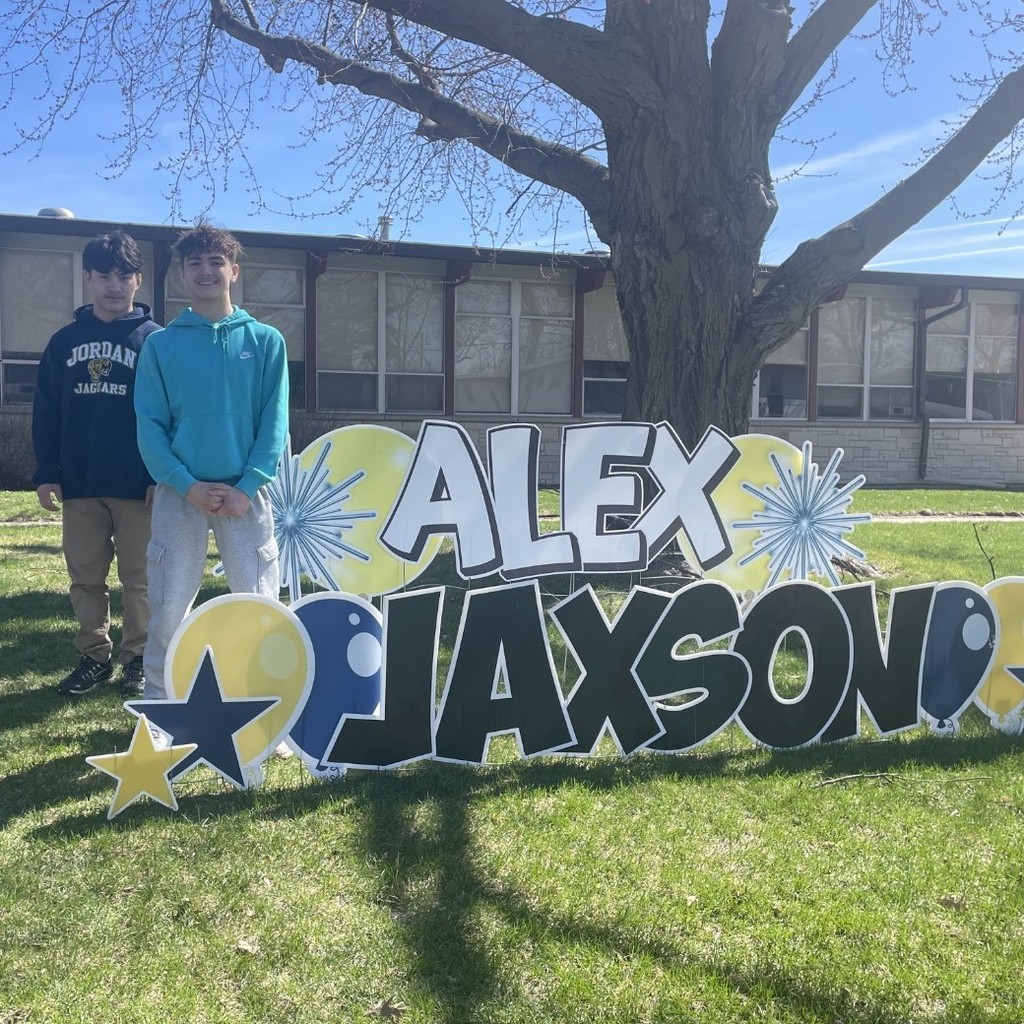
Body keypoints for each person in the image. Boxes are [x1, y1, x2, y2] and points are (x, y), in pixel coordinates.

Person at [133, 223, 288, 710]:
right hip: (180, 497)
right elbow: (150, 426)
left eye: (216, 262)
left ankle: (266, 709)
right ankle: (161, 707)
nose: (206, 271)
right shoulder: (161, 346)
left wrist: (248, 485)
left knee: (260, 604)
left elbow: (275, 421)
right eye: (195, 263)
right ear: (181, 273)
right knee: (168, 608)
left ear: (234, 271)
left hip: (248, 497)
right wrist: (184, 483)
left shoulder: (265, 341)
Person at [32, 231, 161, 697]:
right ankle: (93, 658)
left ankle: (139, 659)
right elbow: (47, 409)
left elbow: (169, 415)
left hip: (138, 485)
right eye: (103, 274)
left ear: (138, 280)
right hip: (80, 483)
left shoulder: (155, 342)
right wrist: (47, 470)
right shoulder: (65, 342)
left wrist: (156, 475)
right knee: (85, 577)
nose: (114, 284)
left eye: (124, 275)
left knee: (140, 580)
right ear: (87, 278)